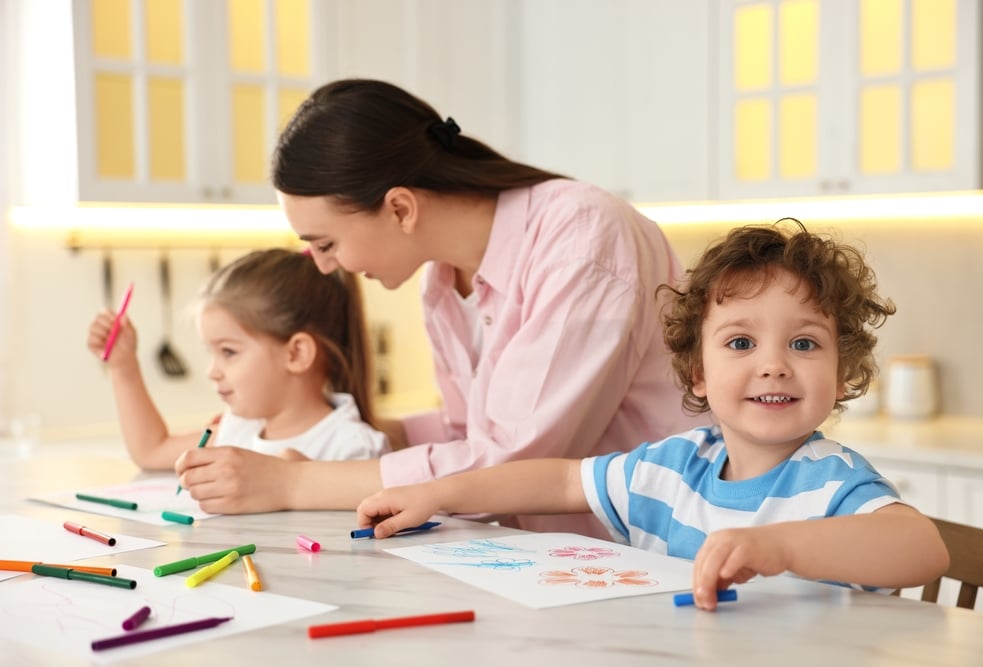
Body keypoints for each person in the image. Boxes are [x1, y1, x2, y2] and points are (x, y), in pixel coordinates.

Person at [174, 77, 705, 529]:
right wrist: (362, 430)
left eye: (326, 243)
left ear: (400, 208)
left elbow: (511, 462)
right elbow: (468, 435)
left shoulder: (583, 238)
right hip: (555, 557)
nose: (321, 265)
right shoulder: (441, 284)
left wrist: (295, 482)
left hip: (652, 551)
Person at [355, 219, 950, 610]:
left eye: (804, 344)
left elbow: (921, 548)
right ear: (698, 373)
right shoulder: (671, 468)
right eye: (741, 344)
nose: (774, 365)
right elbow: (560, 479)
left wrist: (783, 549)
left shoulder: (832, 482)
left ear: (843, 372)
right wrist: (437, 493)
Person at [86, 248, 389, 472]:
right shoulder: (238, 430)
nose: (212, 372)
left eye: (228, 352)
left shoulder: (355, 449)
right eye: (211, 352)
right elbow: (151, 452)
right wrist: (123, 367)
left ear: (296, 354)